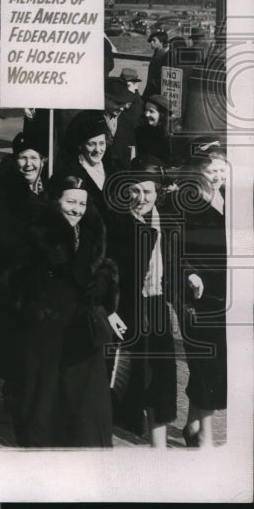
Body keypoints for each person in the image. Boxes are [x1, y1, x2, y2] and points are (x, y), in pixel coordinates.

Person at [11, 176, 122, 447]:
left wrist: (105, 280)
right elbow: (14, 278)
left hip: (83, 331)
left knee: (87, 406)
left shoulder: (94, 229)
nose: (77, 209)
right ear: (55, 200)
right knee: (44, 405)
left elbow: (106, 262)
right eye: (70, 201)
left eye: (82, 203)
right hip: (45, 332)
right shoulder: (36, 232)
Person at [106, 157, 178, 447]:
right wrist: (110, 309)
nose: (141, 198)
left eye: (148, 192)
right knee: (123, 378)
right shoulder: (119, 224)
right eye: (135, 191)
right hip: (127, 308)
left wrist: (188, 278)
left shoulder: (167, 220)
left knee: (159, 376)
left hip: (157, 305)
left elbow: (175, 262)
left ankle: (158, 446)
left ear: (158, 193)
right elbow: (106, 272)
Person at [0, 132, 48, 433]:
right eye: (23, 157)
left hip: (39, 278)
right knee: (16, 340)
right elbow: (2, 233)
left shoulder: (48, 188)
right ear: (14, 159)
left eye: (35, 158)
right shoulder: (5, 189)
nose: (29, 163)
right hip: (13, 277)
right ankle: (15, 391)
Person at [177, 143, 228, 448]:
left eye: (222, 170)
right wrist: (188, 272)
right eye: (211, 170)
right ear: (199, 172)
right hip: (198, 294)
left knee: (212, 361)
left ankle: (192, 424)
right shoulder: (189, 200)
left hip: (223, 294)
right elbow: (175, 245)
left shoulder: (229, 199)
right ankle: (206, 438)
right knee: (207, 362)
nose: (217, 176)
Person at [54, 115, 119, 208]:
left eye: (102, 143)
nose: (98, 150)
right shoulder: (68, 173)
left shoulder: (116, 168)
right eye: (91, 144)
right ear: (81, 145)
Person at [135, 94, 175, 166]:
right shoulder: (140, 132)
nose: (146, 114)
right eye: (146, 110)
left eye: (151, 111)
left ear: (162, 114)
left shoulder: (171, 137)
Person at [142, 30, 170, 102]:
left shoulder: (162, 55)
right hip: (151, 88)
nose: (151, 42)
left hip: (154, 89)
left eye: (154, 41)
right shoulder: (157, 53)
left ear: (162, 42)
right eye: (151, 40)